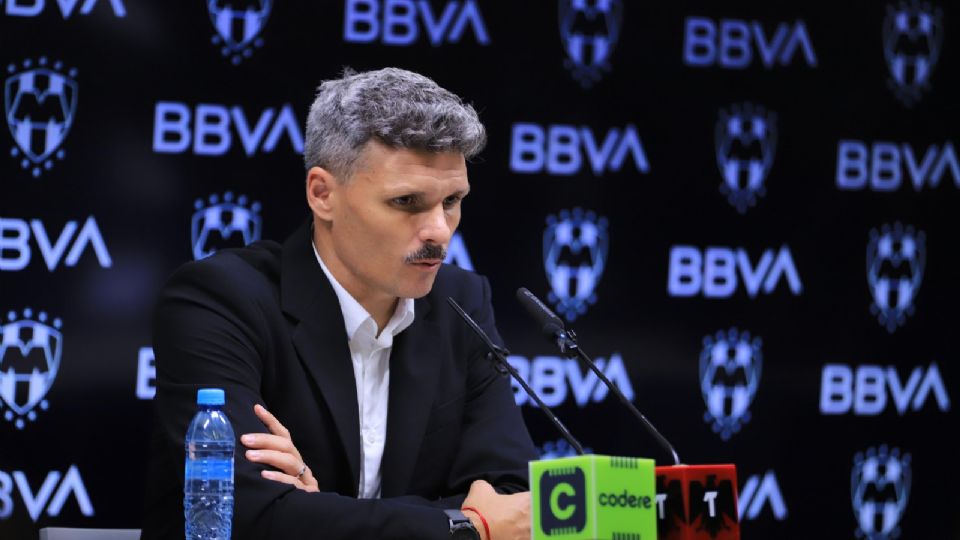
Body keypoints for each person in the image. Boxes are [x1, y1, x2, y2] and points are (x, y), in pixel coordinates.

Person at [142, 67, 538, 540]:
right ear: (322, 194)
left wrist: (317, 510)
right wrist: (464, 528)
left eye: (452, 200)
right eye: (407, 202)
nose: (439, 230)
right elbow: (241, 515)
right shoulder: (219, 299)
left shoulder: (463, 302)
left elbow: (513, 498)